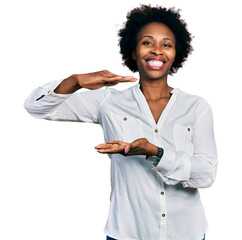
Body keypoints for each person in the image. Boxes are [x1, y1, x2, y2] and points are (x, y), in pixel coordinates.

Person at [24, 4, 217, 240]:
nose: (157, 51)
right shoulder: (108, 102)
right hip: (127, 233)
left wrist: (154, 152)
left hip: (187, 233)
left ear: (176, 53)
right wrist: (76, 81)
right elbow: (35, 107)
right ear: (133, 51)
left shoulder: (196, 107)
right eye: (147, 42)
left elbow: (206, 174)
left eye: (166, 44)